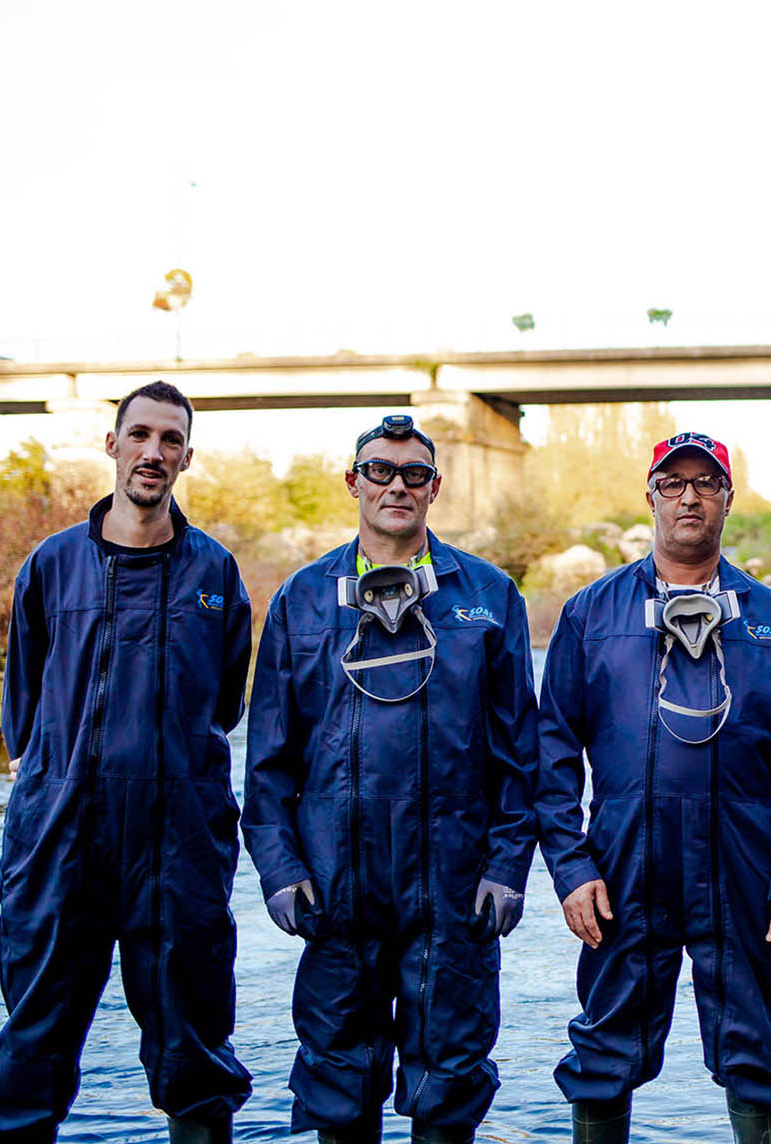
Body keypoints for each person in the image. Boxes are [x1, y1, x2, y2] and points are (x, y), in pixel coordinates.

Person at [243, 414, 538, 1144]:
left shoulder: (491, 596)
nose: (396, 485)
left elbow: (520, 758)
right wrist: (279, 871)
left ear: (435, 488)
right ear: (353, 483)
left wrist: (507, 868)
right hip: (337, 891)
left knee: (450, 1085)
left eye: (413, 474)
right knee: (338, 1086)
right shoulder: (301, 601)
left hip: (456, 893)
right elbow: (268, 763)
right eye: (380, 471)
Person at [0, 381, 253, 1144]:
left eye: (170, 440)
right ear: (113, 444)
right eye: (140, 435)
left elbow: (223, 706)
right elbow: (23, 710)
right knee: (31, 1048)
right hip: (59, 838)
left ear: (187, 457)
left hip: (178, 846)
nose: (153, 453)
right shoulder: (50, 566)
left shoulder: (216, 576)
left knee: (194, 1057)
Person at [536, 432, 771, 1144]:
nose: (690, 496)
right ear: (651, 497)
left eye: (707, 482)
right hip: (621, 865)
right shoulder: (590, 615)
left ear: (729, 499)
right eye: (673, 483)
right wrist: (572, 869)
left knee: (757, 1052)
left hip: (743, 868)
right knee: (604, 1049)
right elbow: (548, 758)